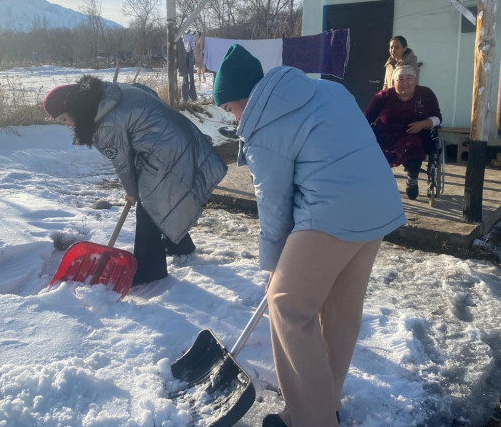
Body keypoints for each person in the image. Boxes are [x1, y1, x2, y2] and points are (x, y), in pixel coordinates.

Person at [212, 44, 406, 427]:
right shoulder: (328, 89)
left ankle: (308, 418)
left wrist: (274, 267)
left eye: (230, 109)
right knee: (341, 309)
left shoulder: (261, 123)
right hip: (379, 206)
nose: (234, 119)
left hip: (332, 212)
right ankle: (325, 402)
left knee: (286, 305)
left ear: (242, 99)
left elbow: (274, 206)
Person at [43, 75, 227, 286]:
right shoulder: (108, 94)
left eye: (64, 119)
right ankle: (180, 246)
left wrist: (131, 190)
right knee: (162, 197)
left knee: (148, 207)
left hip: (165, 149)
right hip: (178, 133)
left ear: (73, 107)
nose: (67, 125)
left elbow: (122, 163)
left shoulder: (105, 124)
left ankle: (150, 272)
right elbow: (148, 93)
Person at [365, 64, 442, 200]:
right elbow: (366, 118)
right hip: (386, 137)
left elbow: (437, 118)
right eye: (400, 79)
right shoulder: (383, 96)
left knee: (414, 144)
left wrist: (423, 124)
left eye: (409, 78)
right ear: (394, 81)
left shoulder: (425, 94)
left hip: (415, 135)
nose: (405, 83)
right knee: (377, 151)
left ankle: (412, 178)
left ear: (416, 80)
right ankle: (382, 183)